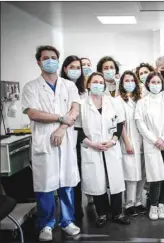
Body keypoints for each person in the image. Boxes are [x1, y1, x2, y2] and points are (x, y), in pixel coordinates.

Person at [22, 45, 81, 241]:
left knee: (67, 183)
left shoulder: (69, 86)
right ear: (38, 61)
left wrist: (62, 127)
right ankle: (46, 224)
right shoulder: (31, 87)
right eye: (45, 57)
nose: (50, 60)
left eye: (53, 57)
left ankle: (67, 221)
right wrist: (60, 118)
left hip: (64, 139)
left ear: (58, 60)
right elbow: (33, 113)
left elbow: (74, 111)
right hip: (44, 142)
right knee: (45, 186)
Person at [75, 72, 130, 228]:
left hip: (111, 147)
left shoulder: (113, 102)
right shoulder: (81, 104)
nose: (98, 84)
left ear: (104, 86)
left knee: (115, 180)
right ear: (88, 85)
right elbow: (77, 130)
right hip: (91, 148)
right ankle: (102, 214)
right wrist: (92, 144)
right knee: (97, 181)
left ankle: (118, 213)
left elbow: (120, 124)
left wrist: (113, 141)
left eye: (101, 82)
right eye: (95, 82)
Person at [135, 72, 164, 221]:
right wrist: (155, 140)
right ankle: (153, 205)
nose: (156, 85)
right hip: (152, 144)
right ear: (147, 84)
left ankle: (162, 204)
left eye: (158, 82)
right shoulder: (142, 102)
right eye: (152, 82)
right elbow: (140, 124)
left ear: (162, 84)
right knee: (155, 177)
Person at [60, 55, 87, 219]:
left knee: (79, 173)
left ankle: (77, 205)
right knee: (68, 172)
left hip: (81, 134)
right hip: (66, 132)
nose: (75, 70)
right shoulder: (60, 87)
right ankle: (71, 209)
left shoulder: (85, 91)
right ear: (64, 69)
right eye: (72, 67)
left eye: (78, 68)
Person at [118, 71, 148, 217]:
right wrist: (127, 142)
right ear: (122, 83)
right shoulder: (119, 101)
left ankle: (138, 201)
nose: (129, 83)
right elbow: (121, 124)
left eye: (132, 80)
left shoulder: (140, 100)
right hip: (129, 141)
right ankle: (129, 203)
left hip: (143, 141)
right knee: (130, 174)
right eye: (126, 80)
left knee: (142, 174)